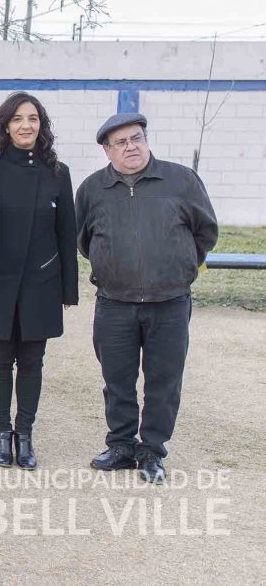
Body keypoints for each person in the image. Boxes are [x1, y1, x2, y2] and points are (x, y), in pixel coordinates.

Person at [76, 113, 218, 484]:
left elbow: (205, 232)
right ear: (107, 151)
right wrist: (114, 266)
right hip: (114, 302)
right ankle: (122, 445)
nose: (131, 147)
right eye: (120, 143)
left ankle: (152, 450)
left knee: (164, 380)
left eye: (136, 138)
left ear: (146, 139)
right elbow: (84, 240)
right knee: (117, 378)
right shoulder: (92, 189)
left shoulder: (181, 180)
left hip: (169, 301)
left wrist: (178, 265)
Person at [0, 93, 78, 470]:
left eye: (34, 118)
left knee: (32, 361)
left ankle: (24, 434)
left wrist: (68, 290)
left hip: (41, 283)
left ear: (42, 126)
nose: (26, 125)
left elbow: (66, 235)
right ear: (5, 125)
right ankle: (1, 432)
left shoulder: (58, 173)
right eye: (18, 118)